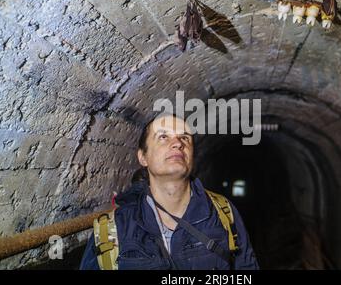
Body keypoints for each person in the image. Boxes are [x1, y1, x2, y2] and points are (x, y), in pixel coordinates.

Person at [80, 113, 259, 270]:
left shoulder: (223, 213)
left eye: (185, 138)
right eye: (163, 137)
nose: (177, 144)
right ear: (143, 157)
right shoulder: (112, 230)